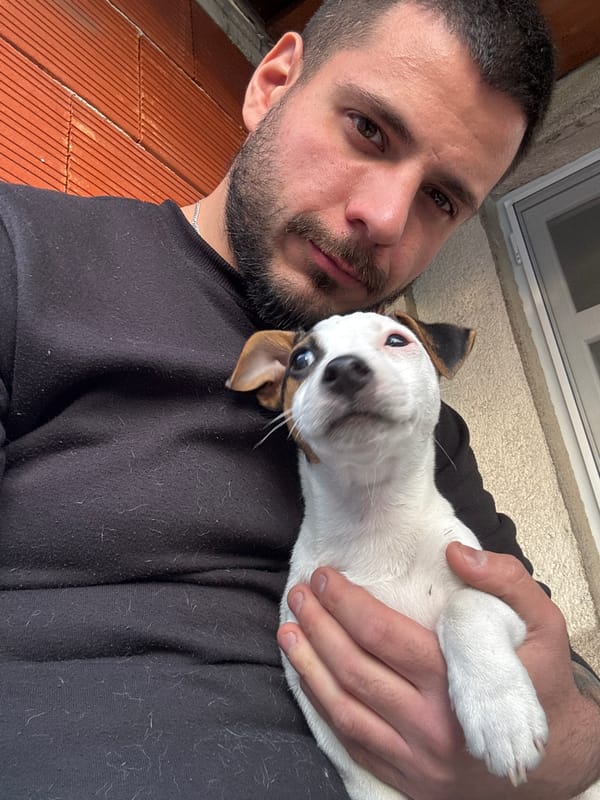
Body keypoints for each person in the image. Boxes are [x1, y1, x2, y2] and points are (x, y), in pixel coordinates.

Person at [0, 0, 598, 798]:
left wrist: (563, 755)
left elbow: (563, 677)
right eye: (369, 130)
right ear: (273, 83)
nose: (383, 219)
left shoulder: (428, 430)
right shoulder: (24, 252)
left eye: (442, 199)